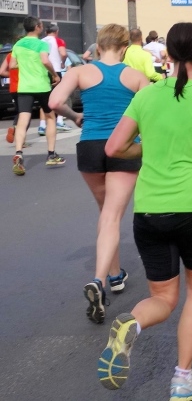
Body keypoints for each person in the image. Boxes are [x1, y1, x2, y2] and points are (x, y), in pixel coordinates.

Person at [98, 22, 192, 399]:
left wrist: (146, 147)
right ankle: (182, 379)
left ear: (167, 55)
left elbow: (113, 148)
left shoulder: (146, 97)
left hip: (149, 212)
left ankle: (133, 323)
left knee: (163, 299)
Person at [48, 24, 149, 323]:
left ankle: (115, 275)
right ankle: (99, 280)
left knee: (106, 214)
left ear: (98, 46)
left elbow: (54, 102)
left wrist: (75, 115)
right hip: (123, 147)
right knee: (112, 216)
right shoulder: (136, 77)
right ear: (125, 48)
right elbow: (150, 114)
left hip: (90, 146)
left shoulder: (80, 72)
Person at [9, 16, 65, 175]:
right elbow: (45, 61)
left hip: (24, 87)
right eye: (41, 24)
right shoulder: (42, 44)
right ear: (37, 27)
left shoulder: (18, 44)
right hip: (41, 86)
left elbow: (12, 65)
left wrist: (26, 64)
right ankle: (51, 154)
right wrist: (55, 75)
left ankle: (19, 153)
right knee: (50, 117)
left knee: (23, 119)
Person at [40, 23, 71, 134]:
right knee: (59, 97)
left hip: (43, 72)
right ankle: (59, 121)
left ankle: (42, 125)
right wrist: (62, 62)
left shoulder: (41, 41)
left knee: (45, 99)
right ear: (57, 32)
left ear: (45, 32)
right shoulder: (58, 41)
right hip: (55, 71)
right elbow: (63, 53)